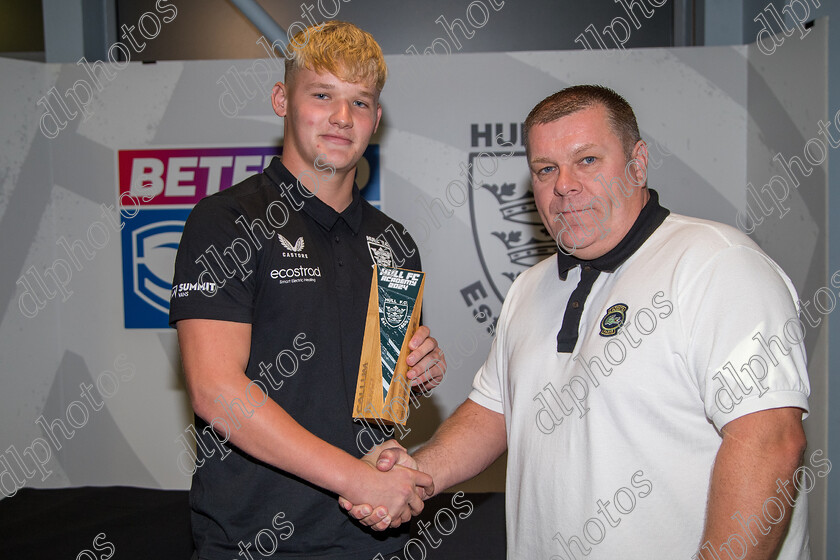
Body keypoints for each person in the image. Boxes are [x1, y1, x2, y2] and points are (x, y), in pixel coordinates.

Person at [343, 85, 811, 559]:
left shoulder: (718, 264)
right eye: (546, 169)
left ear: (637, 162)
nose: (563, 184)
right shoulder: (531, 286)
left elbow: (769, 442)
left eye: (587, 160)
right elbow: (494, 413)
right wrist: (417, 473)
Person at [170, 21, 445, 560]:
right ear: (282, 99)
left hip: (376, 535)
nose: (342, 119)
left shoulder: (394, 241)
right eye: (322, 95)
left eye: (360, 103)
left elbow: (379, 401)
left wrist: (417, 375)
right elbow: (217, 392)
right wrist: (355, 479)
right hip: (254, 542)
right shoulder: (226, 221)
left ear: (377, 119)